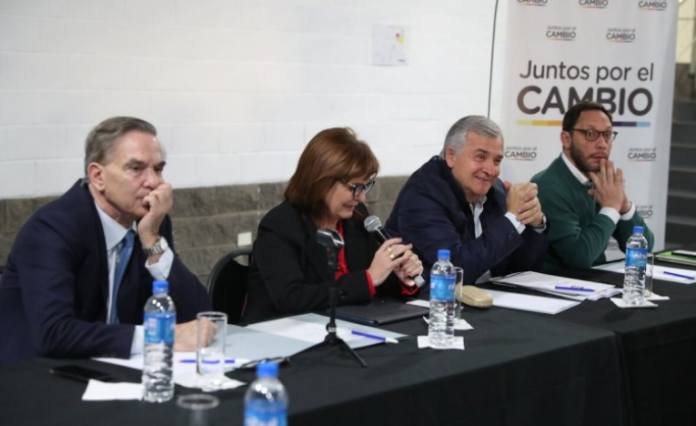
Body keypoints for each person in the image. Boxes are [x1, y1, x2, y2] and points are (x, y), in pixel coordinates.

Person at [0, 117, 213, 365]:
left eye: (158, 169)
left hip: (110, 368)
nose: (154, 182)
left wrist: (151, 239)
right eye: (136, 168)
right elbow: (54, 333)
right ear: (97, 176)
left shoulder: (150, 223)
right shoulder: (53, 229)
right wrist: (158, 337)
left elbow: (197, 312)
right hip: (34, 373)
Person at [243, 128, 424, 324]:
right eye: (355, 187)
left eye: (365, 186)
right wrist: (368, 279)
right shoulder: (280, 226)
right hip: (283, 332)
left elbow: (374, 285)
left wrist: (400, 277)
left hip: (348, 325)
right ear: (322, 182)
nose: (362, 197)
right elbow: (291, 299)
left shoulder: (356, 217)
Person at [386, 116, 549, 285]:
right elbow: (453, 270)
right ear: (451, 156)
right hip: (432, 299)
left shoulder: (496, 190)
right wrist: (512, 219)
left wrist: (535, 224)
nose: (490, 170)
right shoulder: (423, 196)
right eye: (480, 157)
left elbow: (522, 269)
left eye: (496, 161)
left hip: (489, 296)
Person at [531, 102, 654, 271]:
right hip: (559, 283)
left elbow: (644, 249)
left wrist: (624, 206)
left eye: (607, 135)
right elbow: (578, 258)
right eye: (591, 134)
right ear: (566, 139)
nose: (602, 144)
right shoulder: (547, 186)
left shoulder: (601, 182)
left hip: (596, 281)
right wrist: (611, 208)